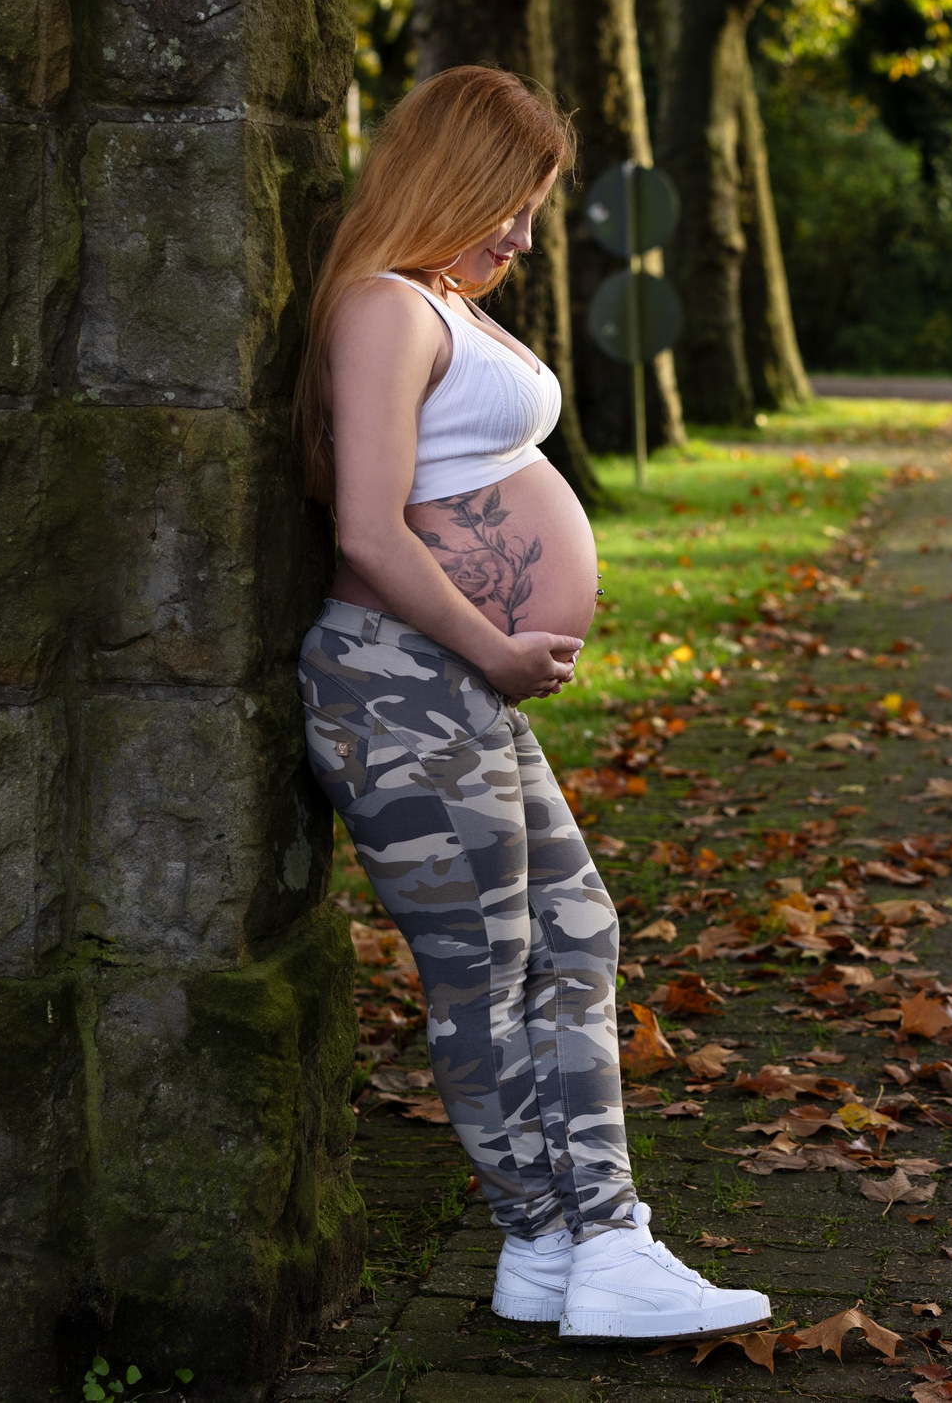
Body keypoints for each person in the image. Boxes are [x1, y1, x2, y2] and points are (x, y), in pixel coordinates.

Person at [294, 66, 769, 1341]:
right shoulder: (383, 308)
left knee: (570, 933)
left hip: (447, 682)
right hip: (401, 677)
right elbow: (368, 528)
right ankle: (575, 1236)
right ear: (446, 174)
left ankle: (567, 1251)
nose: (517, 233)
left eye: (534, 212)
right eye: (507, 202)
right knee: (486, 969)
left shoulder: (441, 301)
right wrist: (491, 652)